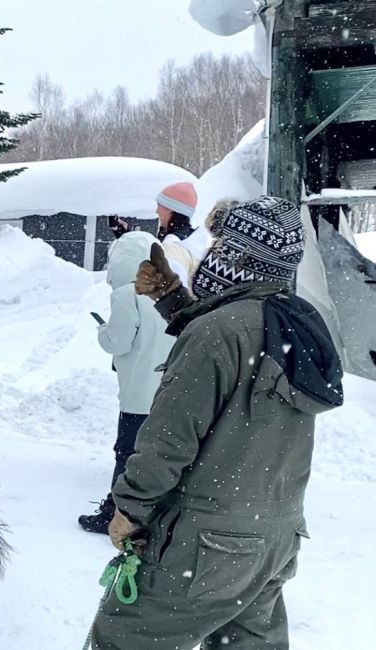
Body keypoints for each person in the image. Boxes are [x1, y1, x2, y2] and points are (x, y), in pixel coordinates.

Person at [89, 196, 344, 650]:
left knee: (123, 640)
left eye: (220, 246)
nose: (210, 256)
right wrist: (173, 299)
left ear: (239, 256)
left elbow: (168, 441)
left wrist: (129, 509)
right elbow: (240, 341)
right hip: (272, 539)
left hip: (208, 543)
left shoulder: (217, 332)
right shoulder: (295, 322)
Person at [77, 231, 174, 534]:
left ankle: (116, 515)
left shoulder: (127, 294)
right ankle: (157, 513)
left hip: (138, 393)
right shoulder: (167, 291)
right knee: (159, 455)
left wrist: (103, 331)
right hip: (168, 389)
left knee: (127, 454)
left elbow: (118, 342)